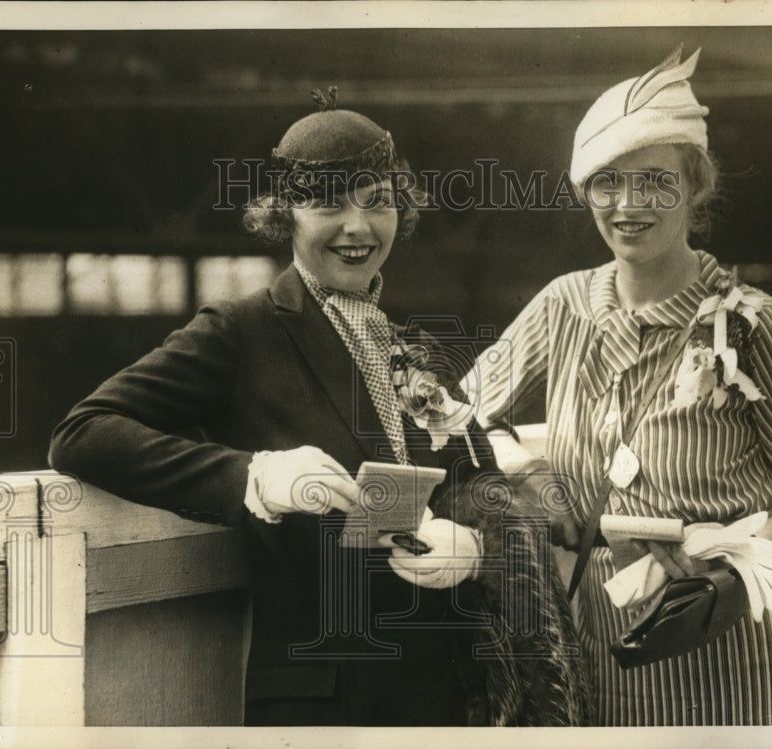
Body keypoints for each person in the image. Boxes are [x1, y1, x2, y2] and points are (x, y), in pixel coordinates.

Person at [49, 89, 589, 726]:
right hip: (327, 703)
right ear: (286, 216)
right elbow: (82, 432)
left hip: (451, 699)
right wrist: (253, 476)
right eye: (327, 201)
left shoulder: (410, 344)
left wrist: (474, 545)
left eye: (377, 201)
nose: (357, 227)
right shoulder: (241, 331)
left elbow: (481, 480)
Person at [468, 46, 772, 725]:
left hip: (740, 669)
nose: (629, 204)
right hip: (609, 666)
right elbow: (459, 417)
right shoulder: (564, 306)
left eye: (655, 180)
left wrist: (735, 569)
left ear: (695, 186)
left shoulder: (753, 322)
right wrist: (535, 482)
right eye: (608, 183)